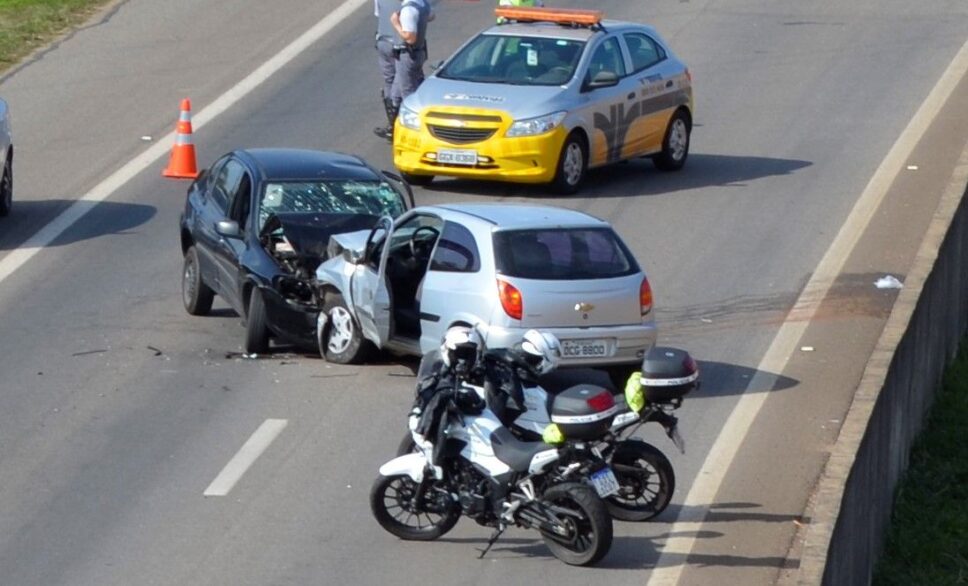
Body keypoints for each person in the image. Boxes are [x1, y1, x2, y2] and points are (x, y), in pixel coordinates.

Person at [374, 0, 434, 141]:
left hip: (402, 49)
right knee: (400, 86)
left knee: (403, 89)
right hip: (398, 48)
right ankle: (396, 125)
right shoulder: (417, 4)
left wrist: (398, 24)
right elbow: (430, 15)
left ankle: (405, 127)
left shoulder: (409, 8)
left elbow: (410, 37)